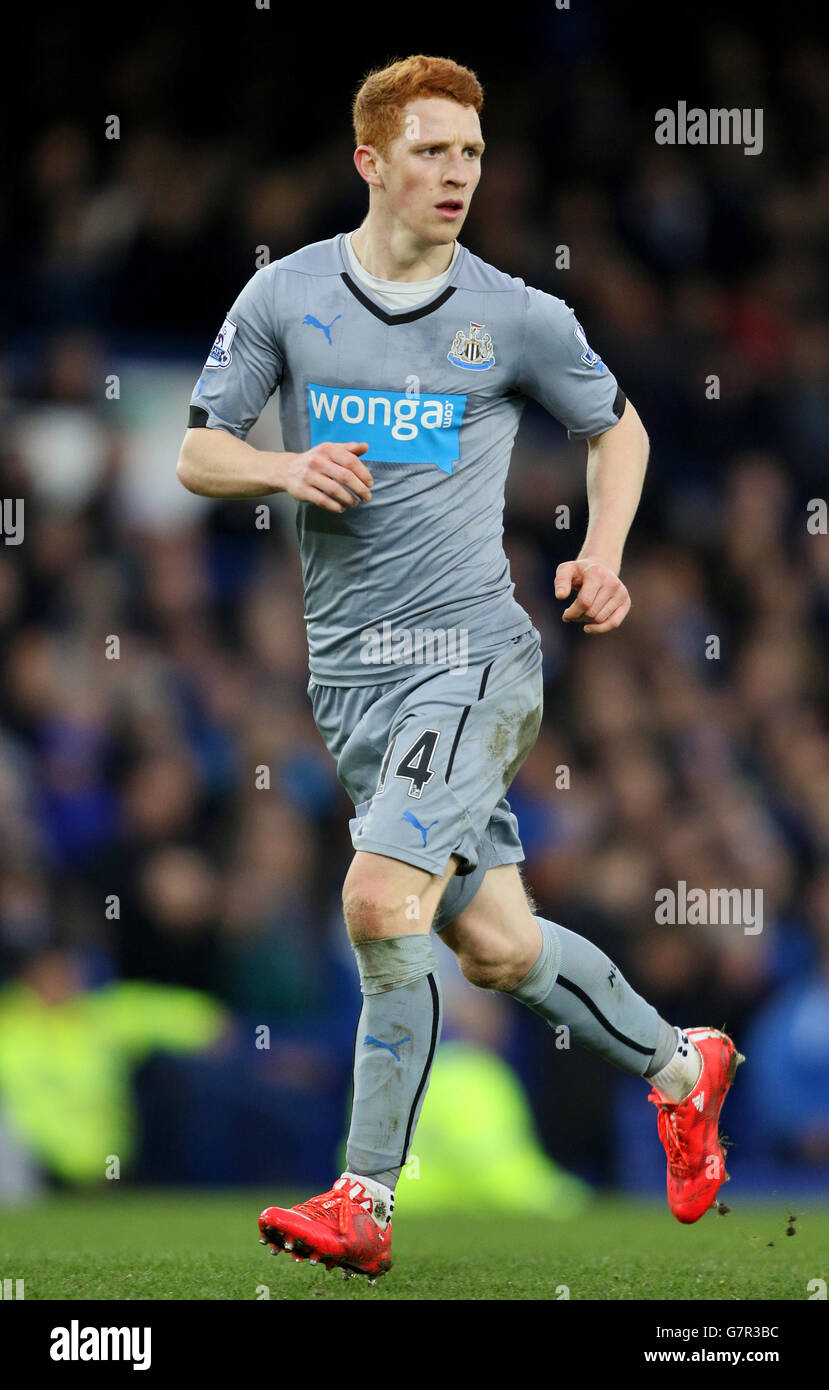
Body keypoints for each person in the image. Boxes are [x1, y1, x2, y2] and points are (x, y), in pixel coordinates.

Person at [176, 54, 743, 1281]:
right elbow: (198, 452)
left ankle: (364, 1196)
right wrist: (284, 467)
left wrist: (601, 552)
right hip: (353, 682)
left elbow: (619, 428)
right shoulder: (285, 296)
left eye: (472, 154)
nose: (457, 174)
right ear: (370, 162)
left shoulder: (516, 314)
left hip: (473, 657)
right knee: (493, 942)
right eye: (431, 150)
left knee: (379, 906)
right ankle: (679, 1064)